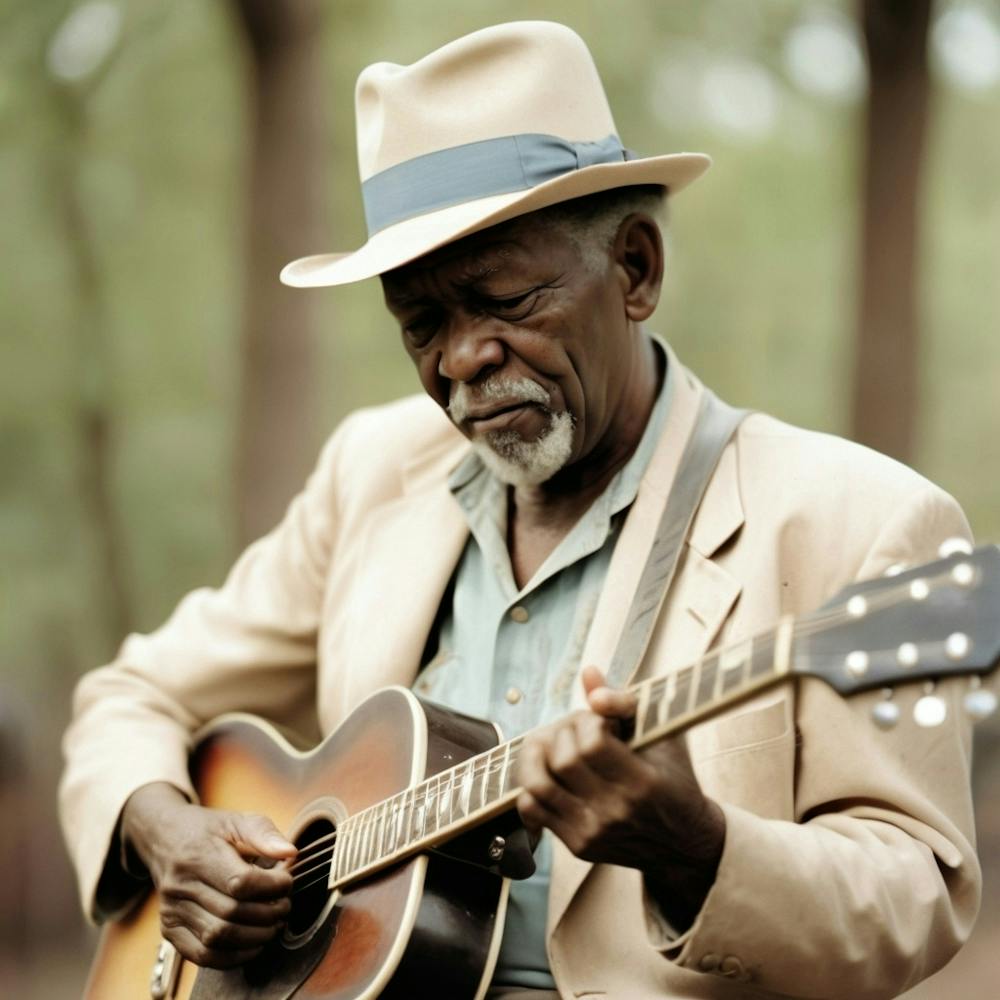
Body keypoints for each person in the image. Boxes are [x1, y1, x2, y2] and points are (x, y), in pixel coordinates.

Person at [61, 20, 981, 1000]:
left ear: (634, 270)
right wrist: (167, 828)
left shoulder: (858, 522)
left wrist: (700, 850)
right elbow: (129, 696)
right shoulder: (372, 474)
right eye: (422, 324)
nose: (460, 360)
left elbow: (911, 893)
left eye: (501, 301)